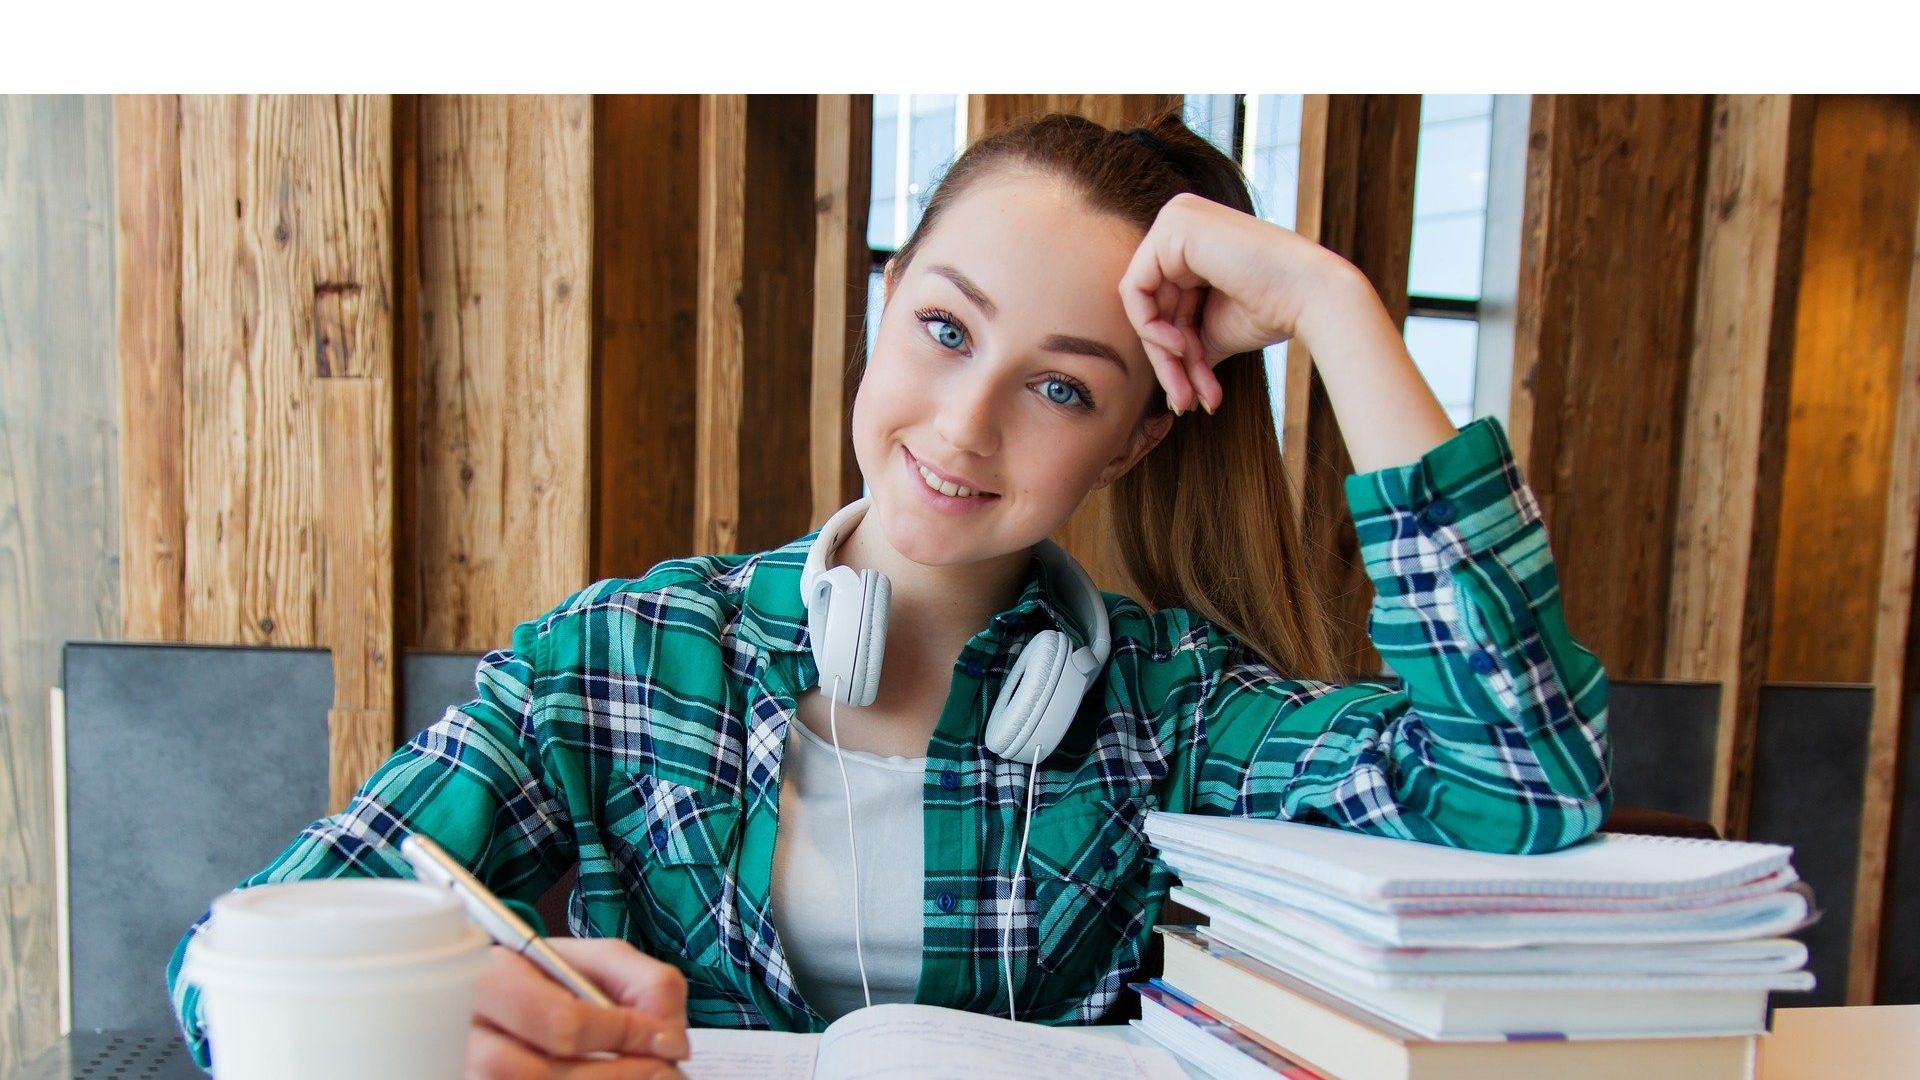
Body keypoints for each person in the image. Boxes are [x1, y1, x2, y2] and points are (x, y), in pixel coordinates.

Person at [166, 106, 1611, 1079]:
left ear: (1138, 436)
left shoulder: (1176, 714)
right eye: (941, 327)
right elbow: (230, 962)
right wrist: (439, 1027)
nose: (964, 428)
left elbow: (1519, 782)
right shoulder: (614, 662)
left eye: (1060, 385)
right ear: (886, 307)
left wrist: (1330, 309)